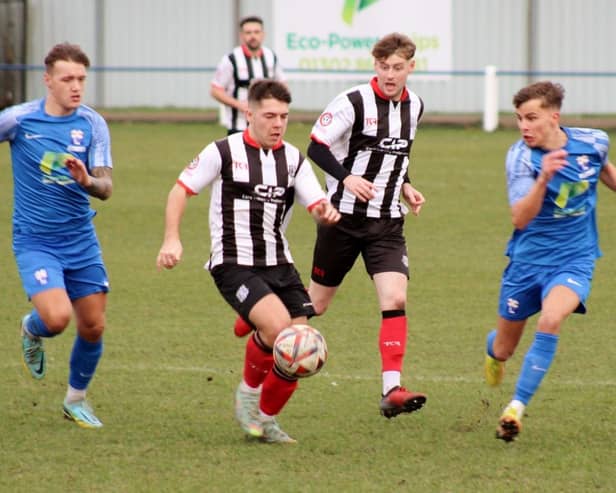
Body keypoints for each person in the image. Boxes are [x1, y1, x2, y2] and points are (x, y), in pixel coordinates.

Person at [156, 79, 340, 443]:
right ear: (249, 113)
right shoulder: (222, 152)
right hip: (233, 262)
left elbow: (316, 203)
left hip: (280, 263)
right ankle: (248, 393)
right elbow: (181, 190)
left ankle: (267, 420)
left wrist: (325, 213)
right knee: (278, 331)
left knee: (302, 345)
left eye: (284, 117)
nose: (278, 124)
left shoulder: (293, 160)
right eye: (269, 116)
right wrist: (172, 238)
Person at [484, 81, 616, 442]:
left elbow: (604, 170)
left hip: (575, 258)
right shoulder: (521, 158)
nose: (524, 126)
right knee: (504, 348)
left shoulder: (594, 142)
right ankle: (492, 353)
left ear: (553, 117)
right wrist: (544, 178)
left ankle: (516, 408)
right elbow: (520, 219)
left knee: (551, 318)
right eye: (519, 119)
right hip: (526, 263)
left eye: (532, 118)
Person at [307, 32, 427, 419]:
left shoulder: (416, 107)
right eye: (383, 67)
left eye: (397, 67)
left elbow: (398, 153)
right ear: (375, 66)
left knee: (394, 300)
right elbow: (316, 146)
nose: (390, 75)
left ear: (411, 66)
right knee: (315, 306)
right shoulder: (353, 102)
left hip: (387, 224)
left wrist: (406, 185)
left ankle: (391, 389)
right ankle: (262, 320)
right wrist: (345, 178)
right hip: (341, 221)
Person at [0, 43, 113, 428]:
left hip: (80, 239)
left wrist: (87, 180)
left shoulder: (92, 124)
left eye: (81, 78)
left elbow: (107, 187)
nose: (76, 86)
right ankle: (31, 327)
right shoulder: (19, 120)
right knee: (57, 318)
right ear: (48, 80)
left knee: (94, 325)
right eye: (67, 79)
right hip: (36, 241)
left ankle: (76, 400)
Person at [211, 15, 286, 135]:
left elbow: (283, 85)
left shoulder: (271, 57)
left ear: (263, 34)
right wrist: (239, 105)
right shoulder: (231, 59)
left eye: (256, 32)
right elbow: (215, 90)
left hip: (266, 126)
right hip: (239, 125)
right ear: (241, 36)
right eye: (248, 32)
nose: (253, 36)